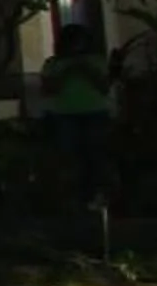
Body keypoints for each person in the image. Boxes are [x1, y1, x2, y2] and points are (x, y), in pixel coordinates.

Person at [40, 23, 114, 205]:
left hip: (95, 112)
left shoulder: (96, 60)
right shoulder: (53, 63)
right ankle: (72, 196)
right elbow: (48, 89)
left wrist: (86, 69)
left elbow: (104, 86)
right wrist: (66, 71)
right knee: (69, 155)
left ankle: (96, 193)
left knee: (95, 154)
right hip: (65, 114)